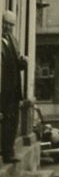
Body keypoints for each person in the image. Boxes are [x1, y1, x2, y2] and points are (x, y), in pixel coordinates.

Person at [1, 10, 27, 163]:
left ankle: (8, 151)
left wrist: (23, 61)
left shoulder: (14, 40)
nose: (8, 27)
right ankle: (5, 151)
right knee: (5, 120)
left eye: (11, 25)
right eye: (5, 23)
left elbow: (16, 62)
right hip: (3, 88)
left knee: (12, 120)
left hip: (13, 88)